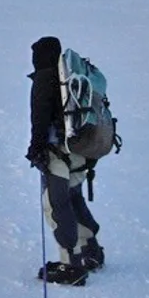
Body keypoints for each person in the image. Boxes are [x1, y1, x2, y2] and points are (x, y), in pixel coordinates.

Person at [27, 35, 105, 282]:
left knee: (56, 204)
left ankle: (70, 263)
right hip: (80, 148)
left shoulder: (44, 78)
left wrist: (36, 148)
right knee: (74, 197)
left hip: (57, 152)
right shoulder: (72, 79)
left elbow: (39, 118)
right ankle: (91, 252)